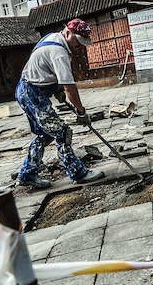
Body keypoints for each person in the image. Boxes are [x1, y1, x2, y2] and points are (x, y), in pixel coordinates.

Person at [16, 18, 105, 189]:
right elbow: (70, 88)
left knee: (46, 134)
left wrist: (56, 90)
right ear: (68, 32)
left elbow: (44, 68)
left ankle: (27, 173)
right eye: (78, 41)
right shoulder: (59, 52)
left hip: (27, 89)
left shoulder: (54, 38)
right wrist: (81, 112)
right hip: (32, 93)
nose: (79, 46)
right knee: (62, 132)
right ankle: (78, 173)